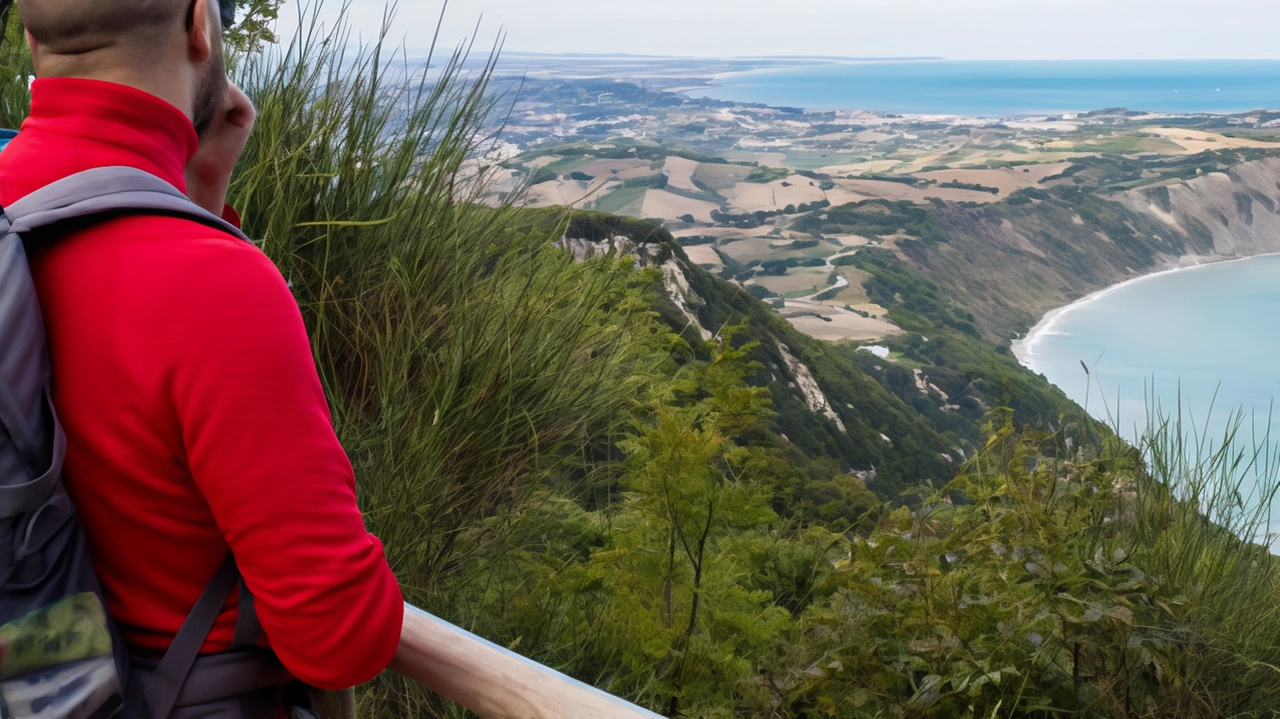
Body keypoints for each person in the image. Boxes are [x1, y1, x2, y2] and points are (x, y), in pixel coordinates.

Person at [0, 0, 404, 711]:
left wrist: (191, 197)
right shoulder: (216, 287)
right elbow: (340, 637)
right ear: (199, 25)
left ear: (32, 36)